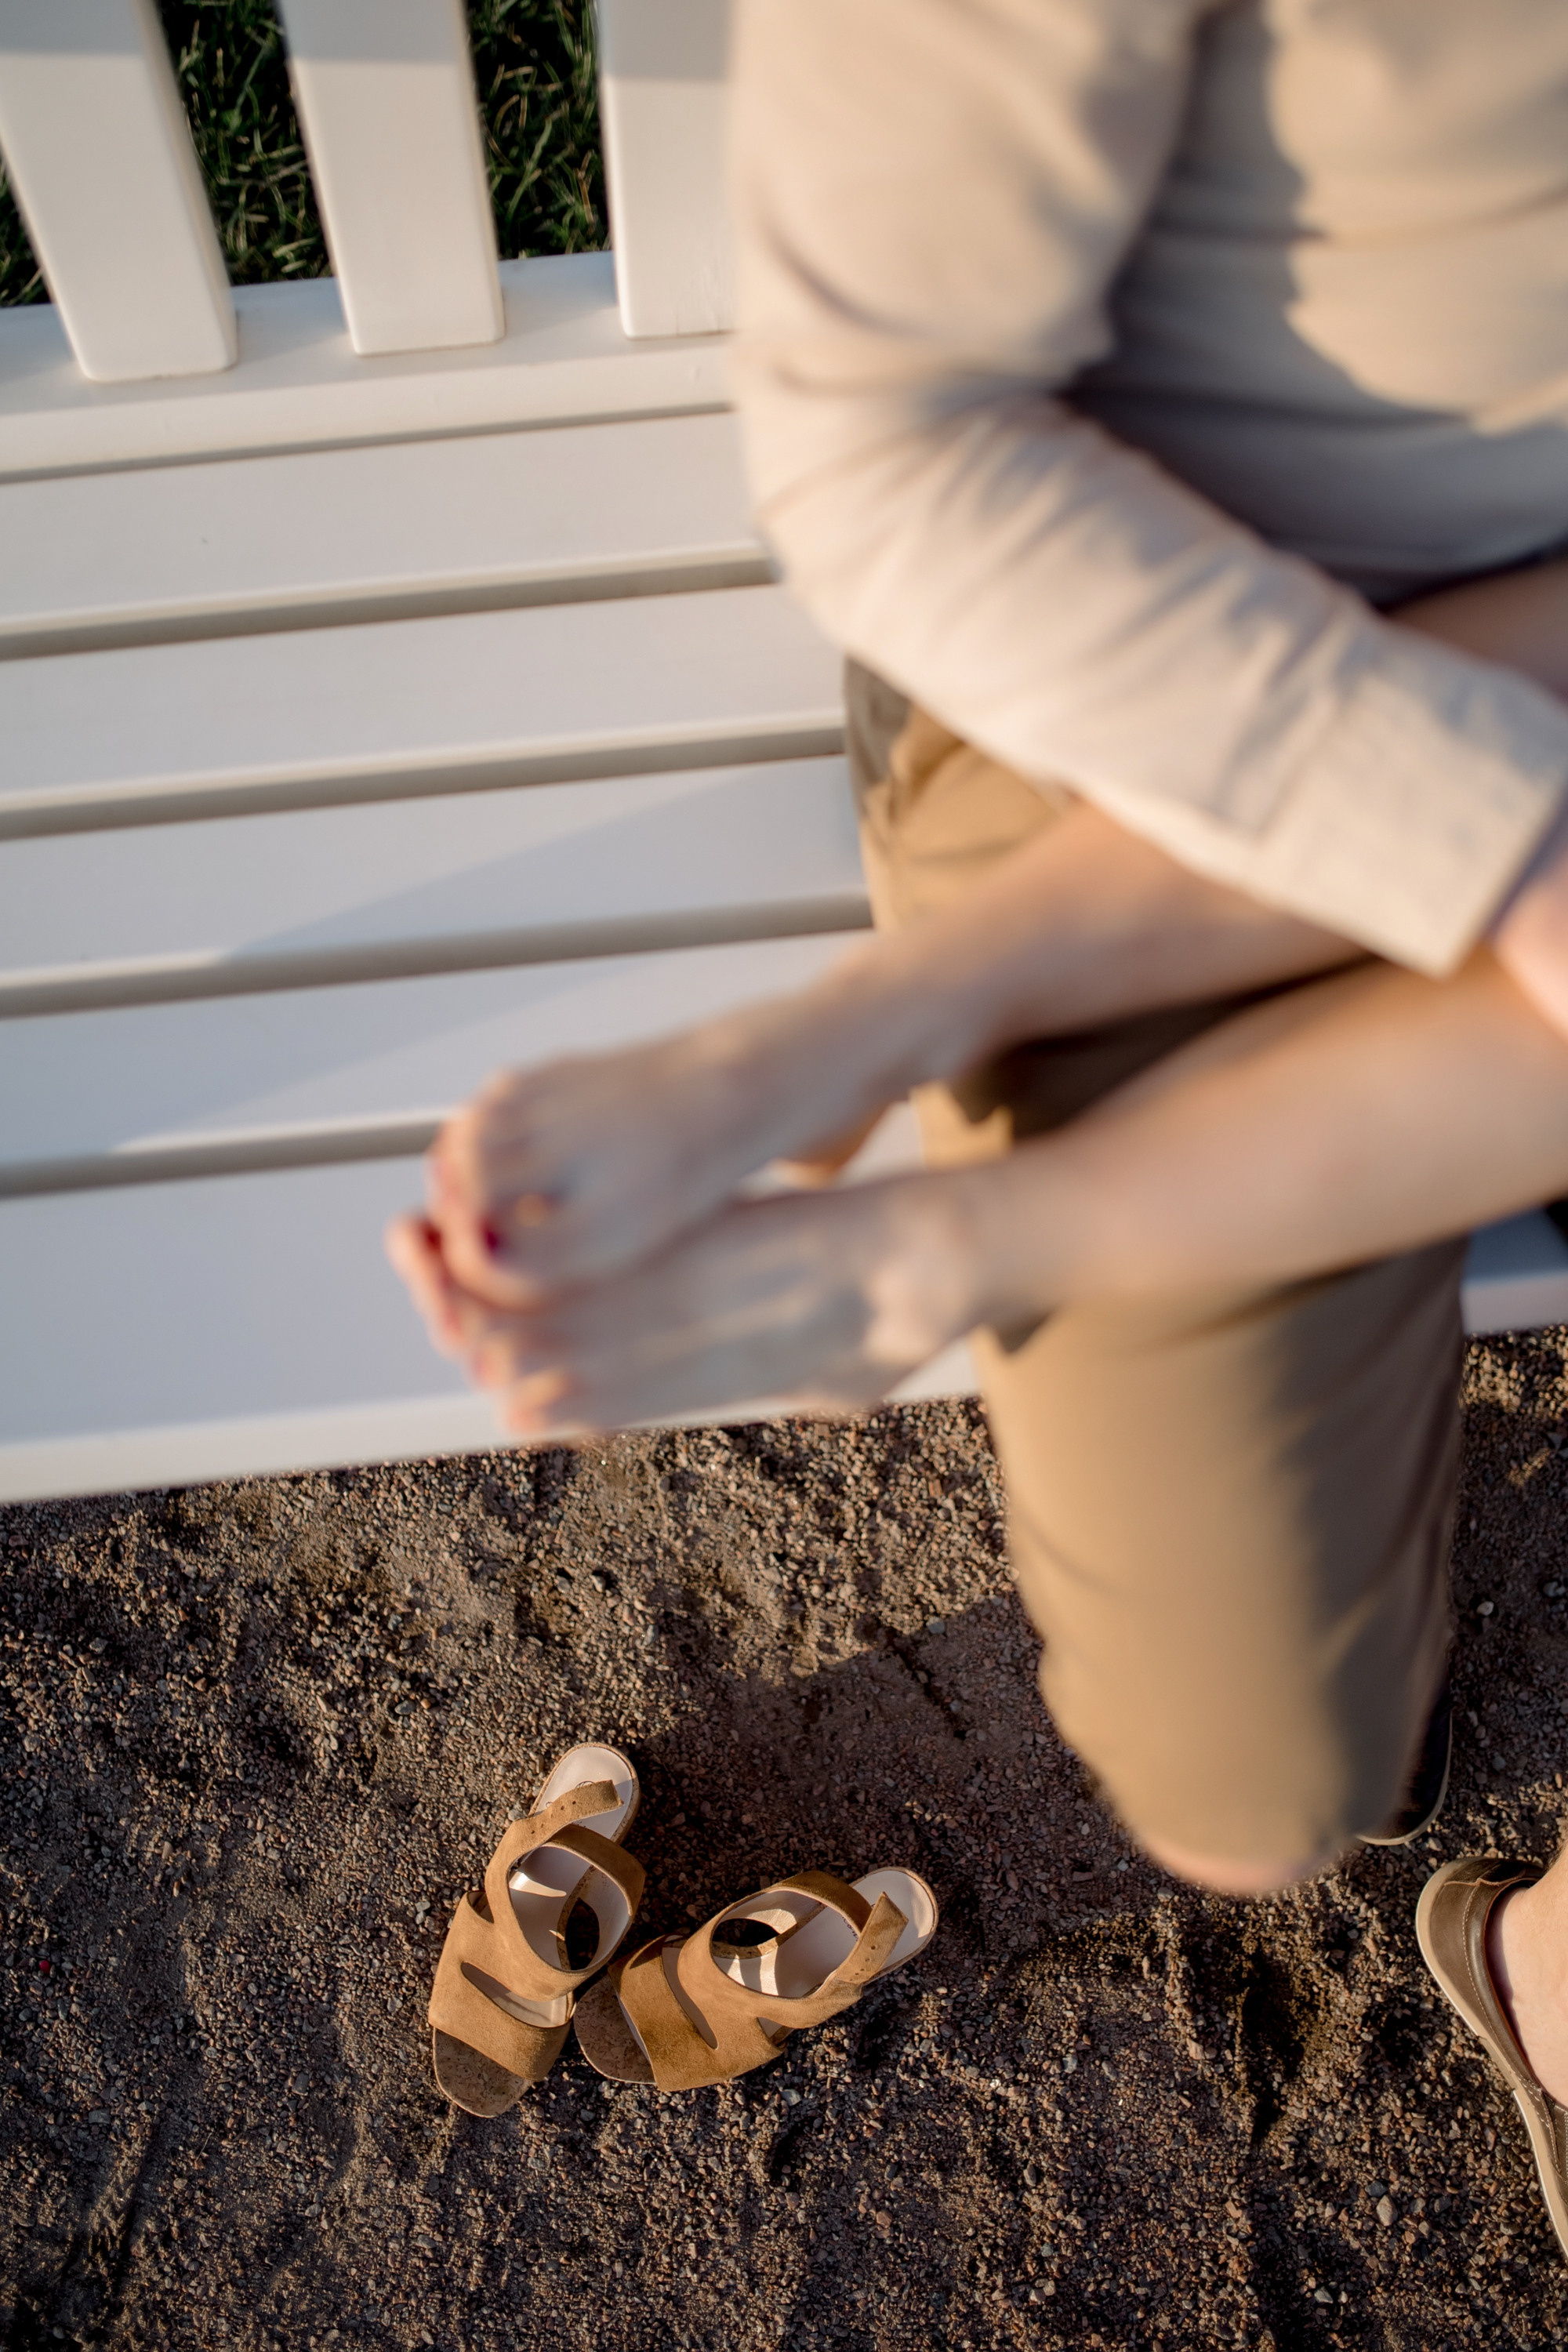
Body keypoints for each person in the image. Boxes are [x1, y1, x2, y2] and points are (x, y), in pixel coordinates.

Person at [390, 0, 1568, 2253]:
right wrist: (1518, 861)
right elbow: (892, 445)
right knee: (1247, 1795)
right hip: (1154, 662)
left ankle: (960, 1219)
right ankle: (905, 1037)